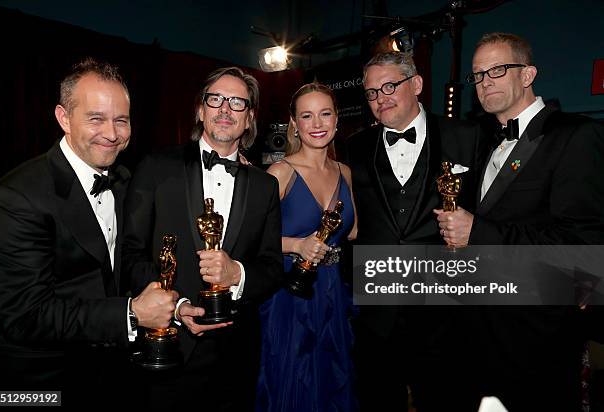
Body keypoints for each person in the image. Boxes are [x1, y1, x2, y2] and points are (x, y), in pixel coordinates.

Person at [0, 58, 178, 407]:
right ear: (64, 118)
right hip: (37, 383)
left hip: (108, 374)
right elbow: (25, 316)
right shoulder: (17, 196)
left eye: (121, 120)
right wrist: (132, 313)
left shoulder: (122, 181)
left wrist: (176, 303)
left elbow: (121, 263)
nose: (111, 133)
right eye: (96, 118)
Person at [435, 32, 604, 411]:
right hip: (477, 332)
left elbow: (582, 249)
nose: (485, 82)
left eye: (497, 70)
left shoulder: (575, 135)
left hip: (536, 336)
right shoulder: (483, 142)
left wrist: (477, 232)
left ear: (527, 75)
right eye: (478, 75)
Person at [122, 66, 283, 411]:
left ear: (250, 118)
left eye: (237, 102)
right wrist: (175, 307)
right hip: (168, 347)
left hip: (236, 354)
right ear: (200, 109)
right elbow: (129, 255)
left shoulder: (265, 186)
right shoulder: (155, 166)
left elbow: (271, 267)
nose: (225, 109)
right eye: (216, 99)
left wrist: (237, 273)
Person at [345, 51, 484, 411]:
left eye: (390, 86)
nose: (380, 98)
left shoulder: (467, 136)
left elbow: (494, 207)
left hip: (445, 312)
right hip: (377, 312)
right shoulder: (354, 147)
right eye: (372, 92)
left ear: (417, 84)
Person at [256, 83, 358, 411]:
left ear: (337, 120)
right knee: (290, 382)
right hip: (290, 296)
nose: (317, 123)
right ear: (294, 124)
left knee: (333, 382)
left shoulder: (345, 172)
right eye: (307, 115)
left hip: (334, 293)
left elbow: (353, 232)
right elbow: (253, 240)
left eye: (325, 113)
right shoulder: (280, 173)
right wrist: (297, 244)